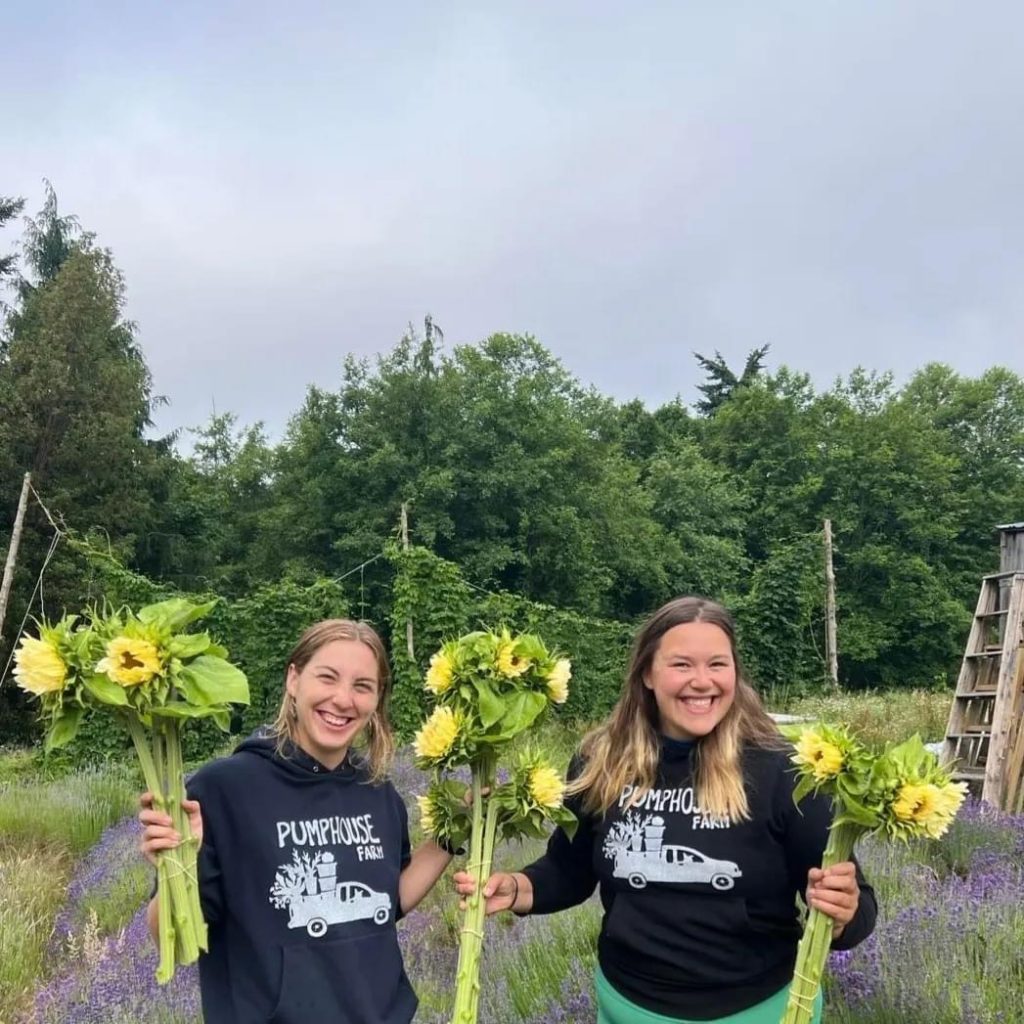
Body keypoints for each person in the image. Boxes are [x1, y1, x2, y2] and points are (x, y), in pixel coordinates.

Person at [455, 596, 877, 1024]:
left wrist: (842, 915)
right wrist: (518, 887)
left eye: (717, 664)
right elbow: (570, 870)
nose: (702, 681)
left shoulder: (782, 771)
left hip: (759, 1010)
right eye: (681, 665)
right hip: (628, 1007)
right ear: (647, 675)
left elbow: (855, 906)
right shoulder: (601, 761)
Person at [140, 619, 454, 1024]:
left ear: (376, 699)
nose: (343, 699)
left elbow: (386, 902)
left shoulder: (378, 792)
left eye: (363, 686)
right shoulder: (223, 790)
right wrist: (177, 865)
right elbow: (174, 944)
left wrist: (454, 831)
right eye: (327, 677)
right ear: (294, 679)